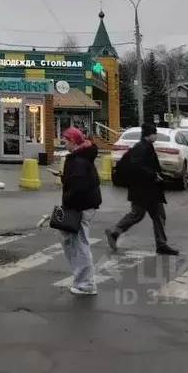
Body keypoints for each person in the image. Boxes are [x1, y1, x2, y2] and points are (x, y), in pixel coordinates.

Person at [105, 123, 178, 256]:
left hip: (147, 190)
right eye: (154, 133)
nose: (156, 136)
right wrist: (153, 175)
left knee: (154, 216)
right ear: (149, 135)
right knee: (142, 215)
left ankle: (161, 244)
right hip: (144, 190)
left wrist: (158, 175)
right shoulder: (141, 148)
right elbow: (136, 166)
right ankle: (115, 232)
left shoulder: (145, 146)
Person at [59, 126, 102, 295]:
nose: (63, 143)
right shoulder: (82, 156)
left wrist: (67, 201)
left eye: (65, 140)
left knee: (80, 244)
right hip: (84, 205)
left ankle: (86, 284)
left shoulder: (79, 160)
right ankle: (82, 279)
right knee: (70, 239)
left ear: (73, 141)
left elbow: (78, 186)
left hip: (80, 206)